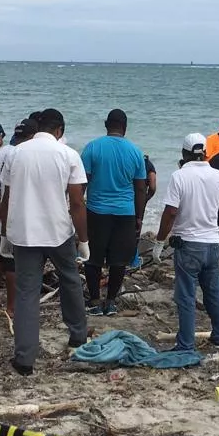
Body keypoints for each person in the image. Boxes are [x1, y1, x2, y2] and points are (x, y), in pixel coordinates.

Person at [0, 108, 89, 376]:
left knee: (27, 293)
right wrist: (83, 239)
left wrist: (4, 234)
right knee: (70, 280)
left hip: (24, 233)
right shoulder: (68, 154)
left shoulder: (16, 153)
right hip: (58, 231)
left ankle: (25, 359)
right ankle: (78, 336)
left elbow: (7, 198)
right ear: (59, 130)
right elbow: (76, 203)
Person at [157, 133, 219, 351]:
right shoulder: (218, 176)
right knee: (214, 292)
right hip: (213, 243)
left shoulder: (179, 176)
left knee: (186, 296)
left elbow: (170, 212)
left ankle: (186, 343)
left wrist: (159, 241)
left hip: (188, 244)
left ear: (184, 153)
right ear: (205, 152)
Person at [80, 108, 147, 316]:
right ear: (125, 128)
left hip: (96, 211)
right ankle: (110, 302)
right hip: (125, 213)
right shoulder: (135, 152)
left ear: (106, 125)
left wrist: (77, 211)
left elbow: (81, 184)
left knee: (93, 259)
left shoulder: (92, 147)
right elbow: (140, 188)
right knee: (119, 261)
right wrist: (139, 217)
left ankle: (93, 300)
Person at [0, 117, 37, 313]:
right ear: (32, 136)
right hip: (13, 220)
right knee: (13, 264)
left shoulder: (1, 153)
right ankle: (12, 308)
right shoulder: (21, 155)